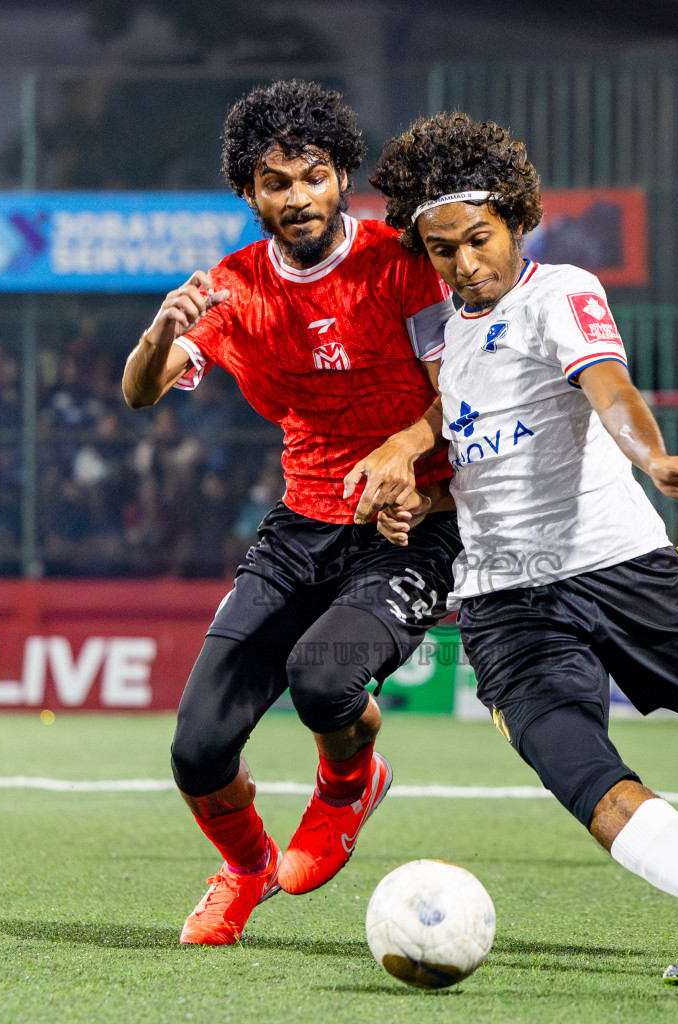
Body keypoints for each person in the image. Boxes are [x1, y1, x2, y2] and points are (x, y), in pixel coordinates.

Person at [365, 112, 678, 985]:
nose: (464, 264)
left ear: (516, 220)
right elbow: (472, 452)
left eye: (479, 240)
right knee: (575, 765)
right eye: (443, 249)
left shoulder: (560, 292)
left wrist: (658, 460)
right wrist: (414, 494)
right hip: (502, 600)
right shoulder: (435, 333)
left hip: (616, 564)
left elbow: (609, 389)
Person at [120, 80, 461, 945]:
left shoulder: (402, 262)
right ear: (250, 193)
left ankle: (349, 786)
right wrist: (161, 330)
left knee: (323, 676)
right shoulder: (233, 289)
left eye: (313, 176)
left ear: (344, 175)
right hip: (301, 529)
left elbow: (462, 392)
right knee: (197, 751)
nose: (298, 196)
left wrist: (404, 456)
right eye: (276, 183)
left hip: (409, 530)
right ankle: (244, 871)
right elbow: (140, 392)